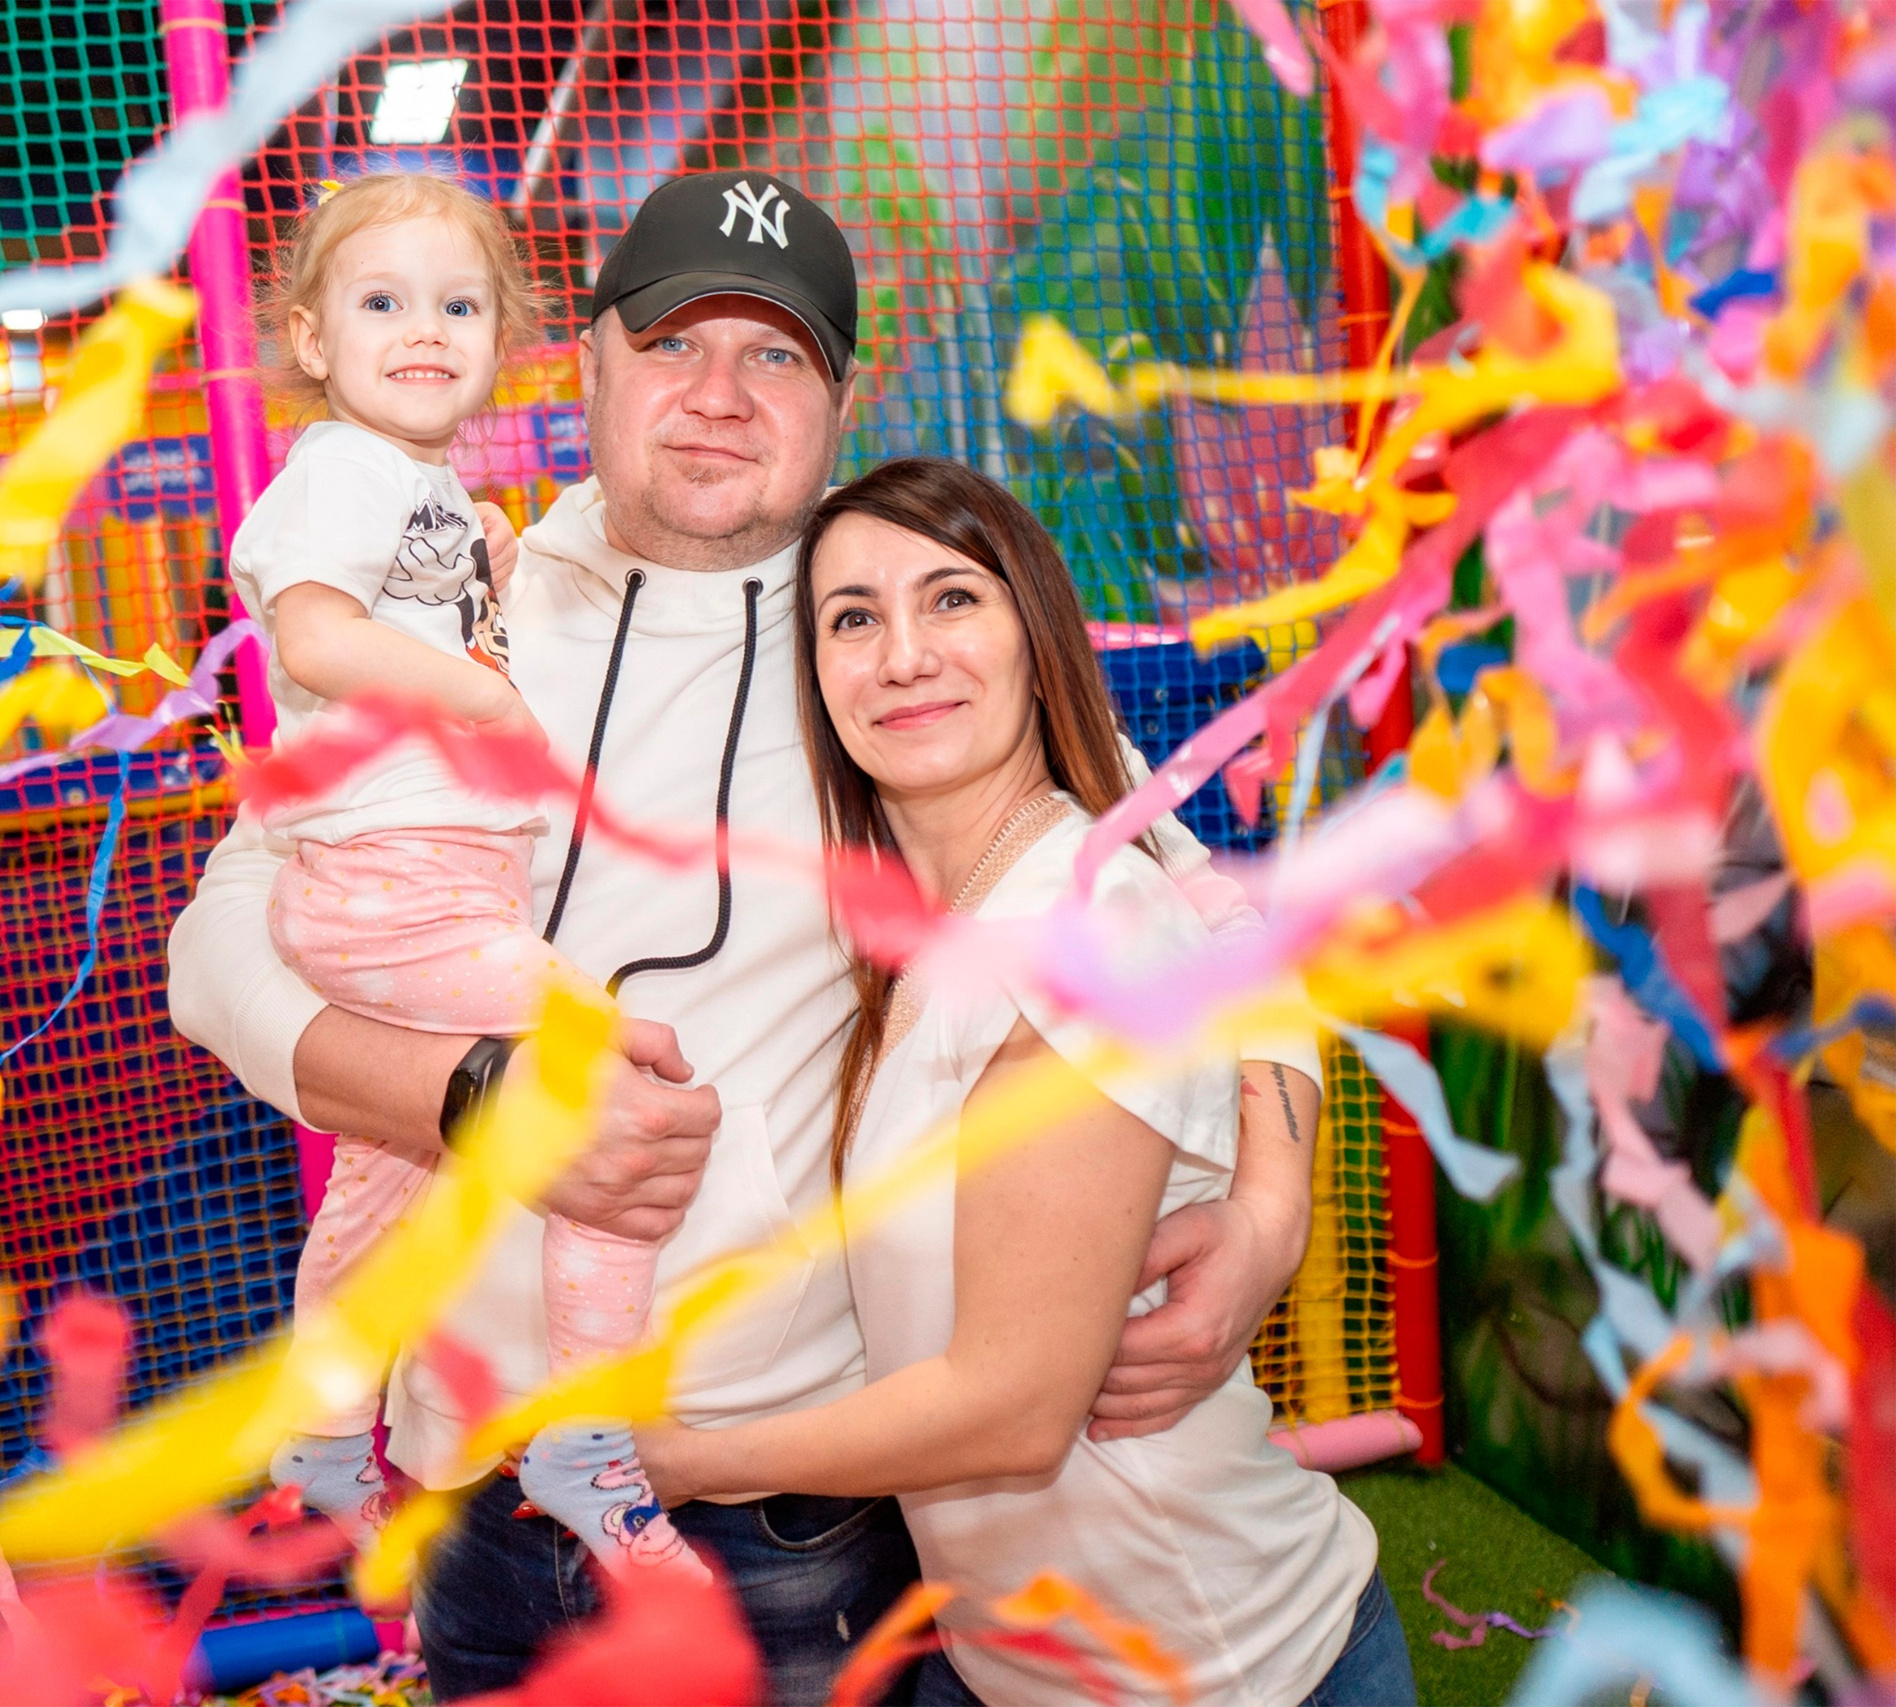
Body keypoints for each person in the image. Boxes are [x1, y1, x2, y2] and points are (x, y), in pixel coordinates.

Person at [170, 170, 1324, 1701]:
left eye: (775, 355)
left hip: (782, 1521)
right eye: (673, 342)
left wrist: (1270, 1201)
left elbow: (1213, 916)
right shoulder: (451, 601)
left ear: (838, 399)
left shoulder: (896, 639)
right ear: (583, 360)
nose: (719, 395)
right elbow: (222, 936)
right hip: (468, 1496)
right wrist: (460, 1098)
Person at [637, 459, 1409, 1707]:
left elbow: (1011, 1409)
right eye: (852, 618)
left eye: (951, 599)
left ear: (1032, 632)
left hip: (1230, 1667)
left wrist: (678, 1462)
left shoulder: (1077, 916)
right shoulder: (937, 891)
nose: (901, 655)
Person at [231, 172, 703, 1583]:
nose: (424, 329)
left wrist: (475, 581)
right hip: (400, 890)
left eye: (457, 305)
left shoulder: (420, 487)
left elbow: (379, 605)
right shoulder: (341, 469)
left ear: (502, 336)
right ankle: (581, 1434)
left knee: (391, 1167)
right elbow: (310, 634)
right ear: (311, 338)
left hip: (423, 889)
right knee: (623, 1086)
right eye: (382, 303)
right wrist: (476, 691)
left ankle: (319, 1434)